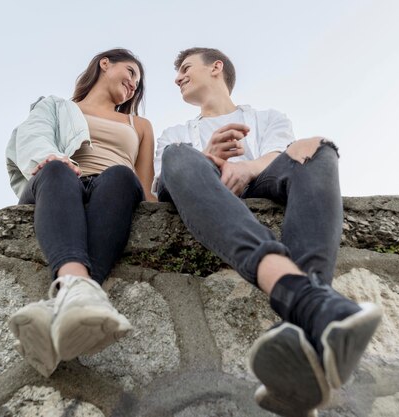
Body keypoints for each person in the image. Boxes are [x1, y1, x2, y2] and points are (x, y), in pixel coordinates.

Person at [154, 47, 382, 417]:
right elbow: (163, 183)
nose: (177, 77)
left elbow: (282, 154)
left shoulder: (267, 117)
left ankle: (305, 325)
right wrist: (210, 157)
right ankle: (314, 312)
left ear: (216, 68)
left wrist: (247, 169)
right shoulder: (176, 133)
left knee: (316, 147)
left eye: (184, 68)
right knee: (179, 155)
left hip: (262, 181)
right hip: (202, 187)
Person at [5, 48, 155, 378]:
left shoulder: (140, 125)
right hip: (58, 184)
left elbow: (144, 189)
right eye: (130, 73)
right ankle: (79, 289)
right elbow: (33, 136)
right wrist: (51, 157)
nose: (133, 84)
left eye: (138, 83)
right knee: (58, 170)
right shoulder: (57, 106)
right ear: (105, 64)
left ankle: (61, 308)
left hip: (110, 192)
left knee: (120, 174)